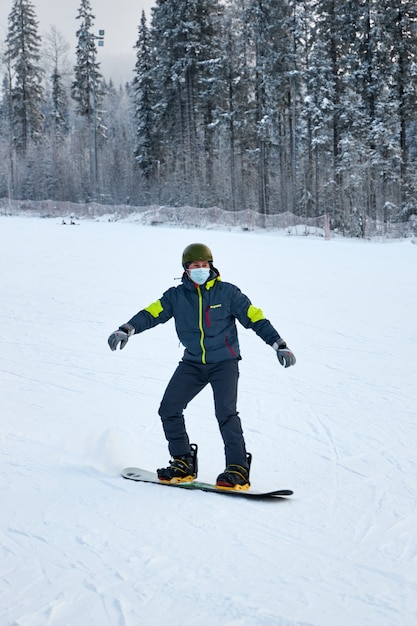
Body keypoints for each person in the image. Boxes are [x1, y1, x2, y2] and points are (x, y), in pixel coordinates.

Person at [108, 243, 296, 490]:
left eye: (204, 265)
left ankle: (237, 468)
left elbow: (255, 318)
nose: (201, 269)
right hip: (193, 363)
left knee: (225, 413)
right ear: (186, 269)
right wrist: (127, 329)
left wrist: (279, 343)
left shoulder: (228, 293)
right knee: (169, 409)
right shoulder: (175, 296)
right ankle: (183, 462)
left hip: (224, 363)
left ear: (212, 266)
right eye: (195, 266)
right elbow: (151, 313)